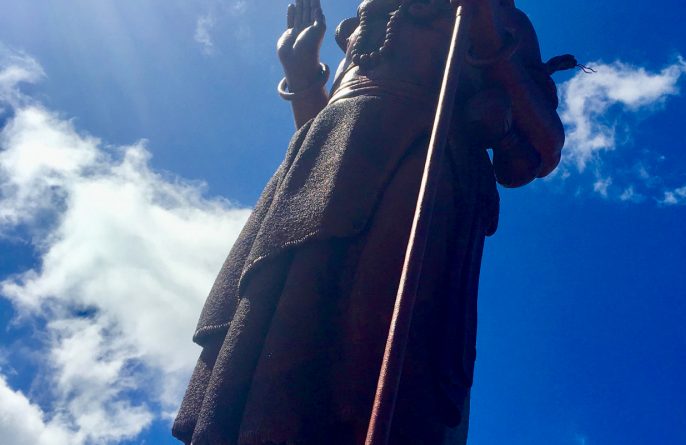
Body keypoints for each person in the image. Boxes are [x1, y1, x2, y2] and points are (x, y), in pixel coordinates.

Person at [172, 0, 565, 443]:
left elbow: (543, 147)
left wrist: (489, 34)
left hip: (414, 177)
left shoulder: (497, 16)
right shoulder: (366, 22)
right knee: (276, 364)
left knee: (367, 361)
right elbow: (329, 128)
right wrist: (302, 75)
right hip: (313, 184)